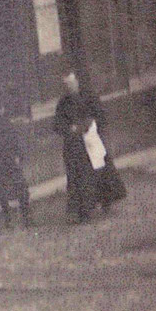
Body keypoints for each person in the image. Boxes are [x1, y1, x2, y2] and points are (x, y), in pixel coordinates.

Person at [52, 72, 126, 223]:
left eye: (72, 83)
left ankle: (106, 201)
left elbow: (100, 115)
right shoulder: (63, 103)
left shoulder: (89, 96)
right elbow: (57, 124)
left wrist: (91, 124)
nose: (70, 86)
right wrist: (69, 128)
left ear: (77, 82)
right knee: (80, 178)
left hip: (92, 140)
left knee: (101, 172)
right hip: (75, 146)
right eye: (66, 84)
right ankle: (84, 210)